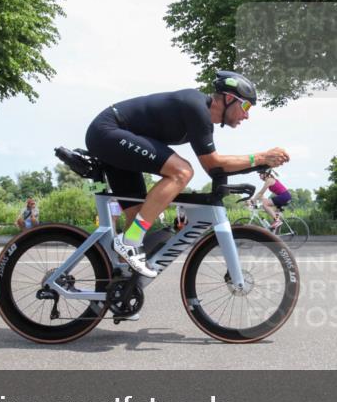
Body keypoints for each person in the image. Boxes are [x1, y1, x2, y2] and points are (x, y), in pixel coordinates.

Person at [85, 71, 289, 277]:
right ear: (229, 98)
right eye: (245, 106)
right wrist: (261, 157)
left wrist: (258, 166)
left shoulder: (203, 121)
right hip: (107, 132)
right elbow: (213, 162)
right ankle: (130, 240)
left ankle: (119, 286)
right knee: (182, 172)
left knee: (138, 212)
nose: (247, 115)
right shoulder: (196, 107)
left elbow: (214, 170)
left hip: (119, 141)